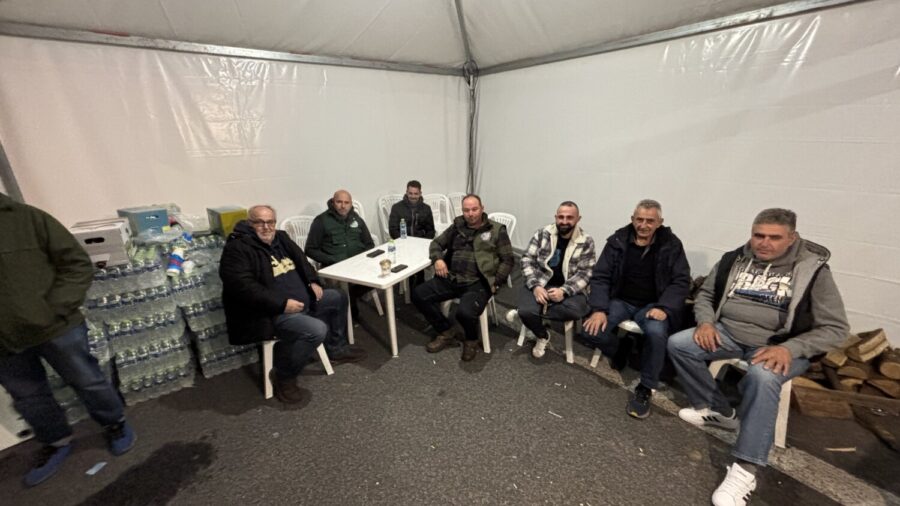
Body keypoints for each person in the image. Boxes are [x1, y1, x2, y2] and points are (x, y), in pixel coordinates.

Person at [668, 208, 848, 506]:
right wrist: (706, 322)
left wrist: (790, 348)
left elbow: (835, 328)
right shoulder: (734, 259)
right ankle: (721, 412)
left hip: (779, 344)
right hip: (727, 332)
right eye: (758, 235)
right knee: (679, 344)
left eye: (774, 237)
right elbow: (706, 296)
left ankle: (745, 468)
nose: (764, 243)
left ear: (792, 238)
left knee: (763, 377)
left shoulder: (813, 271)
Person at [0, 192, 135, 487]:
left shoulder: (27, 218)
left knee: (87, 380)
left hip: (57, 327)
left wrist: (54, 308)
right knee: (29, 397)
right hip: (4, 341)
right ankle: (55, 441)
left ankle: (115, 423)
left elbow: (77, 264)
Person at [220, 205, 365, 404]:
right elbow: (243, 288)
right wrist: (281, 304)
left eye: (270, 222)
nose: (266, 227)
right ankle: (283, 375)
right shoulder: (237, 249)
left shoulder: (281, 237)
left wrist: (313, 281)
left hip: (304, 300)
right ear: (249, 223)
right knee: (316, 330)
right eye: (259, 222)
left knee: (338, 297)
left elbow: (302, 261)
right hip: (273, 312)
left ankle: (336, 348)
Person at [581, 199, 691, 419]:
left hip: (653, 305)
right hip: (620, 300)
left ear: (659, 222)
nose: (643, 225)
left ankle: (646, 387)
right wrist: (599, 308)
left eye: (650, 221)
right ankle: (619, 348)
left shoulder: (671, 245)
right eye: (639, 219)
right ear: (632, 219)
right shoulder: (617, 240)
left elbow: (681, 281)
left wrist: (665, 307)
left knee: (657, 332)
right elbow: (601, 276)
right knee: (590, 330)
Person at [411, 194, 515, 361]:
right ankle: (446, 331)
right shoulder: (457, 226)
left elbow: (508, 260)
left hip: (478, 282)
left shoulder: (496, 230)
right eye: (466, 210)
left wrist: (496, 282)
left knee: (465, 313)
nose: (470, 214)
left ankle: (471, 340)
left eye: (474, 209)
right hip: (452, 277)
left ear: (482, 208)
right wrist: (438, 259)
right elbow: (436, 243)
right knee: (418, 294)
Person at [512, 201, 595, 358]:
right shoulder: (542, 234)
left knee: (577, 310)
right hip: (541, 282)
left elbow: (586, 273)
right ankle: (542, 335)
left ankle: (529, 314)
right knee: (526, 310)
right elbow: (526, 260)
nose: (564, 221)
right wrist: (536, 286)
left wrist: (564, 291)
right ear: (556, 217)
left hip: (568, 287)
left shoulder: (586, 241)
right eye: (561, 217)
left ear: (578, 219)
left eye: (569, 217)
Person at [305, 190, 376, 321]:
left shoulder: (356, 218)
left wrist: (363, 259)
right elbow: (310, 249)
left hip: (358, 263)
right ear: (333, 202)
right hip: (335, 267)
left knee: (379, 276)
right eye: (339, 202)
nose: (343, 206)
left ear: (351, 204)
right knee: (340, 288)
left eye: (346, 203)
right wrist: (331, 260)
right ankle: (346, 307)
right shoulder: (321, 221)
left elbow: (369, 243)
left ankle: (350, 299)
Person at [388, 180, 436, 287]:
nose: (413, 196)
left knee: (420, 263)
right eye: (410, 193)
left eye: (416, 194)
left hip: (420, 244)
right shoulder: (397, 208)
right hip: (403, 244)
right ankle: (412, 285)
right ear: (406, 192)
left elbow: (431, 230)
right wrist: (404, 242)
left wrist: (422, 243)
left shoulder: (426, 208)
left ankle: (419, 285)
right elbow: (393, 230)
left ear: (420, 193)